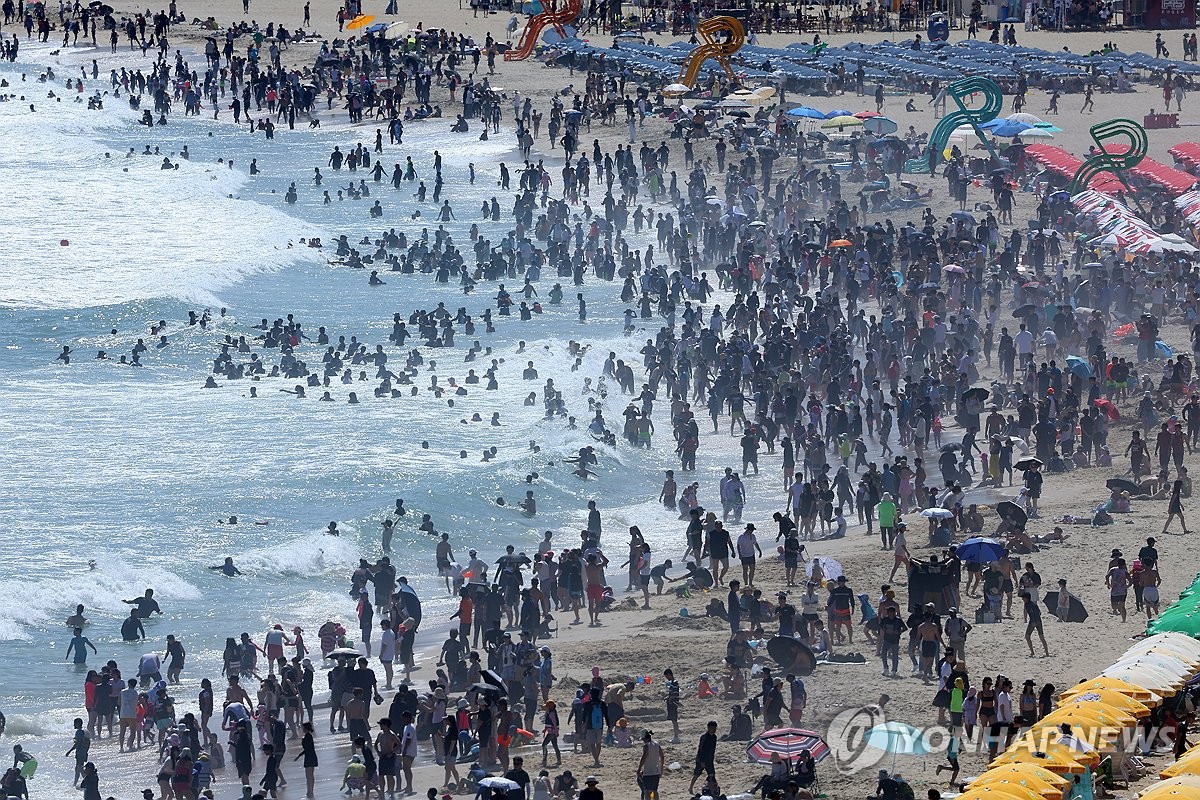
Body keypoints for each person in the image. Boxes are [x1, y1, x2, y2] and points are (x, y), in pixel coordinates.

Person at [688, 720, 718, 794]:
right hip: (701, 759)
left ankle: (712, 789)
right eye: (712, 728)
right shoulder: (704, 737)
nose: (714, 729)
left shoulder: (714, 737)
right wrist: (702, 761)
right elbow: (701, 750)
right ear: (708, 728)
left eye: (715, 728)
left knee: (712, 775)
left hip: (710, 760)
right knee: (697, 774)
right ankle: (690, 787)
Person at [637, 730, 664, 800]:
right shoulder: (657, 744)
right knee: (654, 790)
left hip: (648, 772)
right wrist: (661, 769)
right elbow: (662, 757)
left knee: (647, 791)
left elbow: (644, 758)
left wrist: (639, 768)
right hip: (656, 771)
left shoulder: (646, 746)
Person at [1022, 591, 1049, 657]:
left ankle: (1032, 652)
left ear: (1026, 598)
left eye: (1023, 598)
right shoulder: (1034, 604)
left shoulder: (1027, 605)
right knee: (1042, 637)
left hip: (1033, 621)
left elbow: (1032, 612)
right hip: (1039, 621)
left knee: (1027, 636)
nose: (1022, 599)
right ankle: (1047, 653)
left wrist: (1033, 621)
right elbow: (1039, 612)